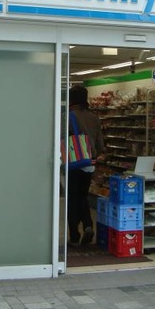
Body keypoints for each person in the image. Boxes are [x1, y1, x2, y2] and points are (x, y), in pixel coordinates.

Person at [67, 85, 105, 247]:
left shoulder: (68, 116)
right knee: (82, 196)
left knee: (72, 199)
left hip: (73, 162)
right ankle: (88, 225)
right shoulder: (93, 117)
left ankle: (74, 236)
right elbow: (100, 142)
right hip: (89, 163)